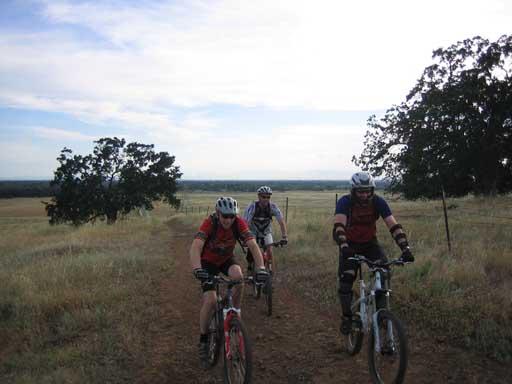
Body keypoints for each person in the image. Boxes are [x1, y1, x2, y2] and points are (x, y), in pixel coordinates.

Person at [190, 196, 268, 367]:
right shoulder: (210, 223)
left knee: (239, 276)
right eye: (224, 216)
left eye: (231, 216)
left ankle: (235, 313)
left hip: (226, 259)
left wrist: (261, 269)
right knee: (210, 301)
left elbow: (253, 246)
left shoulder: (238, 223)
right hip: (207, 263)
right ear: (218, 214)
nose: (228, 219)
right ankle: (203, 339)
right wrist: (197, 269)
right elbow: (196, 246)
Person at [333, 172, 414, 335]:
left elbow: (393, 225)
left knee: (383, 272)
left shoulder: (378, 201)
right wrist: (343, 246)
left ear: (372, 190)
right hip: (349, 245)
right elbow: (339, 226)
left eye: (367, 191)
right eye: (360, 191)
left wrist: (405, 248)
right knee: (346, 279)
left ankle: (382, 314)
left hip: (370, 244)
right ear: (353, 191)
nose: (364, 195)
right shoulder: (345, 202)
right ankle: (347, 317)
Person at [243, 186, 288, 273]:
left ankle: (270, 271)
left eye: (268, 197)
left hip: (266, 231)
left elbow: (281, 221)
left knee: (270, 250)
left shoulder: (272, 207)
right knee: (252, 249)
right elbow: (246, 223)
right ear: (259, 196)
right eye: (263, 197)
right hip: (253, 231)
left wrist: (284, 236)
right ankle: (250, 265)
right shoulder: (252, 207)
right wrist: (245, 238)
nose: (266, 199)